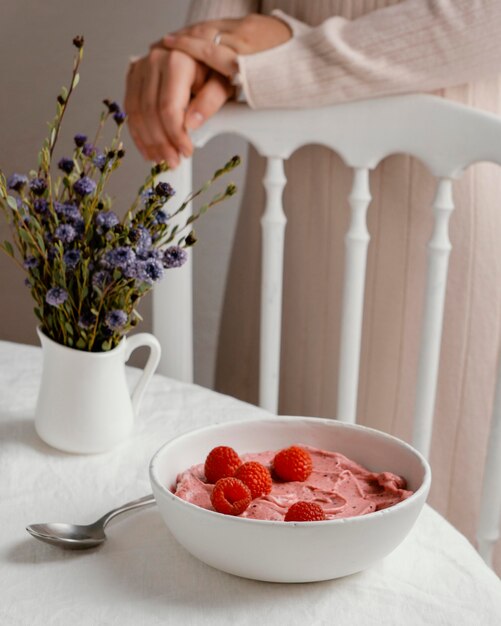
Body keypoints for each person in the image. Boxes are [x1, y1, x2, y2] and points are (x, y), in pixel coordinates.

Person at [125, 0, 501, 572]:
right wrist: (197, 49)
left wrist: (284, 56)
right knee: (240, 541)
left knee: (430, 554)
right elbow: (218, 35)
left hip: (440, 203)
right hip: (287, 209)